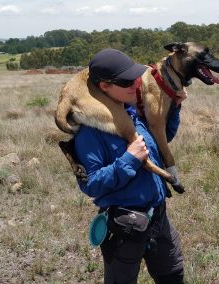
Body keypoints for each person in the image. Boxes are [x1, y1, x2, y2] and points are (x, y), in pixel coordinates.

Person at [74, 48, 186, 284]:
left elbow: (162, 138)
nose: (136, 83)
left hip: (158, 216)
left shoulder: (132, 112)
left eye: (136, 76)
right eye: (126, 81)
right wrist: (129, 160)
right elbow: (92, 184)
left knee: (173, 275)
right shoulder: (89, 132)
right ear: (104, 86)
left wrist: (174, 107)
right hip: (125, 228)